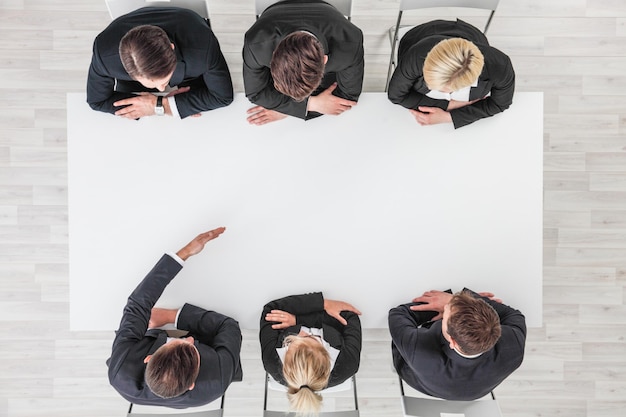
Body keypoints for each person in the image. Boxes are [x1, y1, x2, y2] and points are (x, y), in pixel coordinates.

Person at [106, 227, 243, 408]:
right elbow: (229, 326)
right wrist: (172, 316)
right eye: (193, 348)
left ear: (149, 358)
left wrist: (184, 253)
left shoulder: (121, 370)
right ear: (192, 384)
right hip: (207, 342)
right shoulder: (218, 377)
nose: (191, 338)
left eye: (176, 342)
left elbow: (138, 305)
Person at [87, 7, 233, 120]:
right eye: (155, 85)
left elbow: (222, 97)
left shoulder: (203, 48)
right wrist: (155, 105)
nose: (163, 88)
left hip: (188, 46)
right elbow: (97, 101)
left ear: (171, 48)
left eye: (163, 81)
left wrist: (160, 105)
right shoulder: (105, 55)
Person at [388, 289, 526, 400]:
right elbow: (514, 315)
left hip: (419, 379)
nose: (447, 305)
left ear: (452, 342)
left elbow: (397, 315)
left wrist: (445, 302)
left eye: (447, 310)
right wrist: (470, 300)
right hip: (475, 391)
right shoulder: (514, 346)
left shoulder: (418, 349)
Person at [243, 0, 364, 125]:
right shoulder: (256, 44)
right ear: (274, 56)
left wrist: (286, 110)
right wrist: (310, 105)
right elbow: (256, 93)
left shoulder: (350, 43)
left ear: (324, 60)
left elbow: (346, 98)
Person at [387, 19, 515, 129]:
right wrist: (450, 105)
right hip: (421, 35)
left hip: (469, 34)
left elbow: (500, 104)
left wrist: (449, 117)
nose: (433, 89)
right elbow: (396, 95)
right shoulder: (417, 57)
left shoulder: (500, 67)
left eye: (443, 90)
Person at [260, 292, 362, 414]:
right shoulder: (348, 364)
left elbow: (270, 309)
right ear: (327, 354)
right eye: (313, 337)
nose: (303, 332)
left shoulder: (271, 360)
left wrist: (300, 318)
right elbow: (349, 316)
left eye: (293, 341)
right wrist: (322, 305)